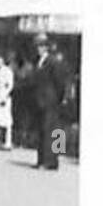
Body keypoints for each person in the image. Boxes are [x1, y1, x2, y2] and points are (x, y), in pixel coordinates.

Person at [31, 35, 69, 170]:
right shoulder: (38, 61)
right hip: (39, 100)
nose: (39, 49)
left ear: (46, 47)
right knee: (41, 130)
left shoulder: (53, 61)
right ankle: (41, 159)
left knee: (51, 130)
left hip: (50, 100)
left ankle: (51, 161)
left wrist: (57, 98)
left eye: (41, 46)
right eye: (37, 46)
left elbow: (59, 82)